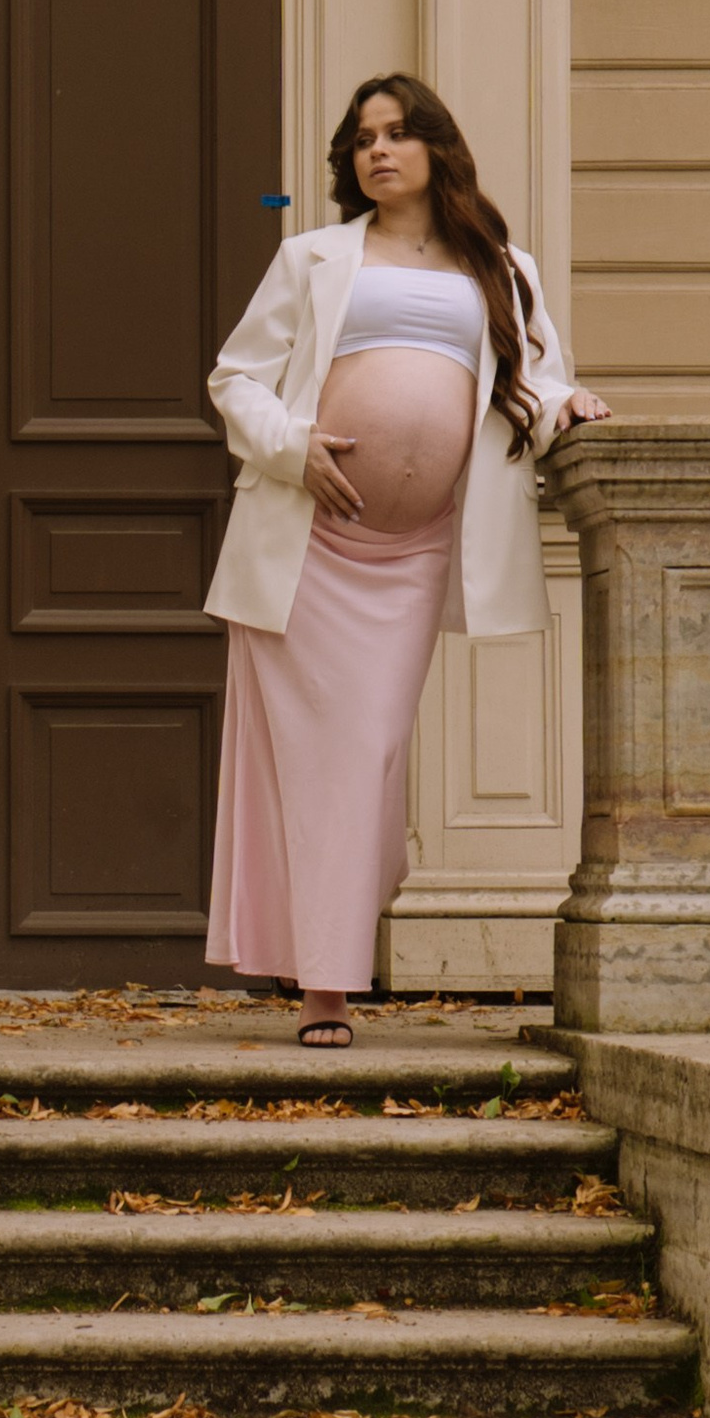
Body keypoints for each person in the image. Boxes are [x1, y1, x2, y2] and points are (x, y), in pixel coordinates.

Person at [202, 73, 610, 1048]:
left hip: (414, 551)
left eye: (396, 134)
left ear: (436, 147)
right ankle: (326, 989)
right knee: (323, 760)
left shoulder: (502, 268)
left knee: (370, 751)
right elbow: (236, 379)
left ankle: (326, 941)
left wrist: (571, 406)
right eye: (362, 139)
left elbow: (534, 382)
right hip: (310, 547)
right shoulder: (311, 257)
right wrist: (293, 446)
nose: (377, 151)